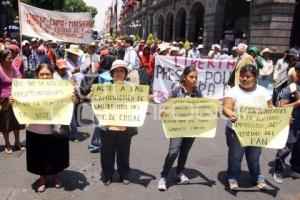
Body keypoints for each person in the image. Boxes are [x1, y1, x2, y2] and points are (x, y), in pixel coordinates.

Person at [15, 64, 75, 192]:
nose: (44, 76)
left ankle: (56, 177)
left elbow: (67, 105)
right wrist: (14, 101)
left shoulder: (61, 88)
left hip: (55, 129)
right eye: (41, 74)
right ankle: (42, 179)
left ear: (52, 75)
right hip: (35, 130)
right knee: (39, 156)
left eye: (47, 74)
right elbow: (21, 102)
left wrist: (72, 99)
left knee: (57, 154)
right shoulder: (28, 89)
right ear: (37, 75)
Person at [223, 64, 273, 191]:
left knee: (254, 156)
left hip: (257, 131)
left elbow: (271, 109)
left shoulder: (263, 91)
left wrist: (283, 118)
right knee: (235, 156)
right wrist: (231, 114)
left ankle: (257, 177)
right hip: (236, 131)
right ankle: (233, 177)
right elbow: (226, 107)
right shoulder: (233, 91)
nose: (244, 79)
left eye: (248, 77)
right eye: (242, 76)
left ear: (255, 77)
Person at [157, 66, 203, 191]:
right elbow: (166, 105)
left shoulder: (198, 93)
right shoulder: (176, 91)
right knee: (173, 151)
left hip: (191, 128)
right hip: (177, 127)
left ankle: (179, 172)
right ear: (184, 77)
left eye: (196, 77)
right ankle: (163, 176)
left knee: (184, 152)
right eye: (191, 77)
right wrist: (164, 111)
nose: (194, 80)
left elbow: (203, 108)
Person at [100, 60, 133, 186]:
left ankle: (124, 174)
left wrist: (147, 97)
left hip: (125, 126)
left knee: (124, 152)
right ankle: (107, 175)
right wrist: (93, 96)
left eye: (122, 70)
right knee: (107, 153)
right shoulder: (104, 87)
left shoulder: (132, 87)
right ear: (112, 73)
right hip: (108, 126)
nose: (119, 73)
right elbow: (95, 102)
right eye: (116, 71)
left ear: (125, 73)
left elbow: (138, 103)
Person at [273, 62, 300, 183]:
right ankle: (278, 170)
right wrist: (297, 103)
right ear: (298, 73)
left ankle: (295, 168)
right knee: (287, 146)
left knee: (299, 148)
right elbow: (282, 107)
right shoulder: (291, 88)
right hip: (293, 123)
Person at [0, 49, 25, 154]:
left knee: (16, 122)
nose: (11, 60)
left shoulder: (14, 69)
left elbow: (20, 80)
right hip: (3, 100)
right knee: (5, 123)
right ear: (2, 60)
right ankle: (7, 143)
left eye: (12, 58)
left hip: (16, 99)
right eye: (9, 58)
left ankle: (18, 142)